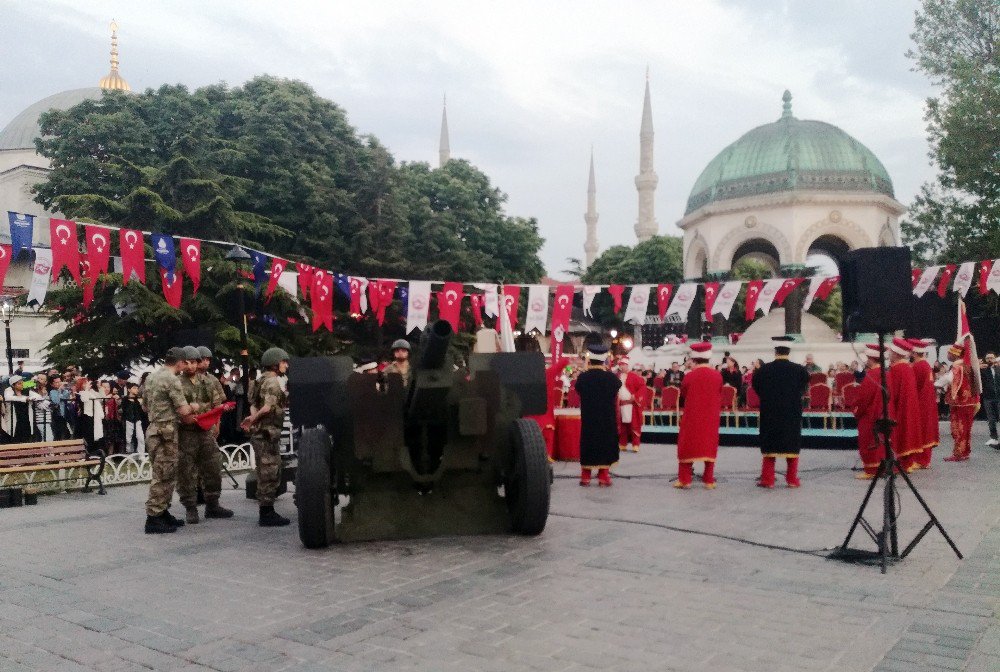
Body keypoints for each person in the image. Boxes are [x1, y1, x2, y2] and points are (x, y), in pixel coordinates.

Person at [143, 347, 199, 534]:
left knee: (164, 473)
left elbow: (144, 406)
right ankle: (153, 517)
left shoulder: (151, 377)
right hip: (166, 432)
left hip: (152, 430)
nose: (188, 365)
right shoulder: (172, 380)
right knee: (163, 475)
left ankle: (162, 512)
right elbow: (183, 410)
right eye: (186, 362)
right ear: (180, 362)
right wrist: (194, 406)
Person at [177, 346, 233, 524]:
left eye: (194, 362)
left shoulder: (208, 381)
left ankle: (212, 504)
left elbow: (217, 405)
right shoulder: (176, 383)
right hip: (186, 434)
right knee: (186, 471)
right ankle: (190, 507)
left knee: (213, 468)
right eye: (187, 363)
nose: (191, 366)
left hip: (206, 431)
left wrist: (217, 426)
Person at [241, 347, 291, 526]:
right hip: (267, 433)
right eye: (283, 362)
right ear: (275, 364)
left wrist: (253, 420)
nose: (286, 365)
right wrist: (253, 419)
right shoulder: (272, 383)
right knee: (270, 472)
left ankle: (266, 510)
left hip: (261, 433)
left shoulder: (259, 380)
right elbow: (267, 407)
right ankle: (266, 512)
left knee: (264, 471)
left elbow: (253, 403)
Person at [751, 336, 809, 488]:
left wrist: (767, 397)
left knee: (770, 444)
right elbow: (804, 387)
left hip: (770, 411)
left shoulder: (763, 370)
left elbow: (756, 386)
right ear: (789, 350)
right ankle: (792, 479)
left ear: (775, 350)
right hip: (791, 411)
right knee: (791, 443)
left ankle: (768, 480)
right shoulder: (800, 370)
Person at [675, 342, 722, 489]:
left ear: (694, 360)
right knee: (709, 444)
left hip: (692, 416)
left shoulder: (689, 376)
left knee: (688, 444)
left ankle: (685, 479)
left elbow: (683, 394)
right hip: (710, 416)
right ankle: (708, 479)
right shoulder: (717, 376)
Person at [574, 345, 621, 486]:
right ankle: (603, 476)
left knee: (589, 442)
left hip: (589, 417)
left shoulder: (583, 378)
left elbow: (578, 391)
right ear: (604, 360)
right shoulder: (611, 378)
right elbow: (617, 388)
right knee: (605, 444)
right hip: (606, 418)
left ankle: (586, 476)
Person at [886, 337, 923, 473]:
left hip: (899, 408)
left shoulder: (897, 369)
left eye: (890, 351)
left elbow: (891, 393)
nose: (889, 353)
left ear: (896, 353)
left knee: (900, 434)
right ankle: (907, 462)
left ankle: (899, 463)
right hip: (909, 407)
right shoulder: (907, 368)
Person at [851, 344, 886, 479]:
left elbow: (863, 398)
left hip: (870, 415)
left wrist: (856, 410)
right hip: (883, 413)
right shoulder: (885, 373)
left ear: (872, 359)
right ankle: (883, 466)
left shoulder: (871, 375)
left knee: (869, 441)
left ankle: (872, 469)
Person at [944, 342, 980, 462]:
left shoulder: (957, 366)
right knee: (966, 428)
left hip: (960, 402)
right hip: (970, 401)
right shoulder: (968, 366)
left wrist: (937, 384)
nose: (948, 355)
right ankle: (965, 451)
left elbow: (951, 381)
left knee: (958, 428)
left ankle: (958, 453)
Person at [908, 338, 940, 469]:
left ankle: (921, 460)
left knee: (921, 431)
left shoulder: (917, 366)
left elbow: (913, 387)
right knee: (926, 430)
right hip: (928, 403)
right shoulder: (926, 365)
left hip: (920, 403)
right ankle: (925, 459)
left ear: (915, 353)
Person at [614, 356, 646, 453]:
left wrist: (635, 396)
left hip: (632, 405)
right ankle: (622, 443)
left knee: (634, 425)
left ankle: (635, 444)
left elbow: (642, 388)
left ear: (627, 365)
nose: (622, 367)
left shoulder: (634, 376)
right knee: (622, 425)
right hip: (621, 405)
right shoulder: (617, 377)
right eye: (621, 365)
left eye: (624, 365)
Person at [979, 352, 1000, 448]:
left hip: (999, 397)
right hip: (988, 398)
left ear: (995, 359)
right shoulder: (982, 371)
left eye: (991, 358)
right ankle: (994, 438)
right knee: (991, 419)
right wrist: (978, 366)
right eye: (987, 358)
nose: (989, 359)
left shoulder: (999, 369)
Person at [121, 384, 145, 453]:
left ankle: (141, 455)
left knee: (140, 437)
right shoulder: (125, 400)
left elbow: (143, 411)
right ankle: (129, 454)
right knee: (128, 439)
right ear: (129, 390)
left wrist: (141, 404)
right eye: (134, 388)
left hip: (138, 420)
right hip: (128, 420)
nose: (136, 390)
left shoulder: (139, 400)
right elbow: (124, 410)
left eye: (137, 388)